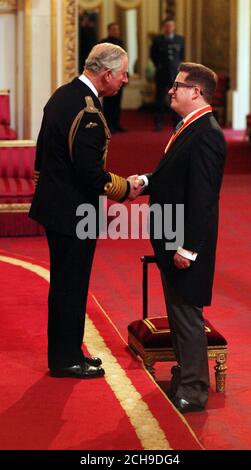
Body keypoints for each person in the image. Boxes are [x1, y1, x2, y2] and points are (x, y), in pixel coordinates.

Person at [29, 43, 140, 379]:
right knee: (71, 286)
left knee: (65, 284)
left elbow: (41, 155)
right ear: (106, 74)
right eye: (122, 74)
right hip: (75, 213)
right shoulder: (88, 111)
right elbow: (89, 174)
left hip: (56, 206)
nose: (124, 81)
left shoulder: (63, 95)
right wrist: (125, 188)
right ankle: (66, 359)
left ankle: (68, 352)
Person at [133, 62, 226, 413]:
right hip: (171, 237)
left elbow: (203, 199)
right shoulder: (190, 126)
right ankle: (187, 376)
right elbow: (172, 176)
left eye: (177, 85)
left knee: (187, 316)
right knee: (178, 313)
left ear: (195, 92)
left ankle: (194, 391)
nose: (171, 90)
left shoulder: (207, 134)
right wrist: (146, 180)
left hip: (184, 244)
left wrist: (188, 248)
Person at [151, 18, 185, 131]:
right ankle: (158, 123)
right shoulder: (157, 40)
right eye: (167, 26)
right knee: (159, 100)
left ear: (174, 27)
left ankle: (177, 123)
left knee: (176, 99)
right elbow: (153, 56)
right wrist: (161, 65)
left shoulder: (180, 39)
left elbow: (181, 56)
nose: (169, 28)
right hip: (162, 73)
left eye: (171, 26)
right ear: (163, 27)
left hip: (175, 73)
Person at [100, 23, 127, 133]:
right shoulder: (103, 43)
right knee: (108, 102)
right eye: (113, 29)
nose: (116, 31)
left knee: (117, 101)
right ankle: (108, 125)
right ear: (109, 30)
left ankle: (116, 123)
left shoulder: (120, 43)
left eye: (117, 29)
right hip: (109, 75)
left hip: (119, 75)